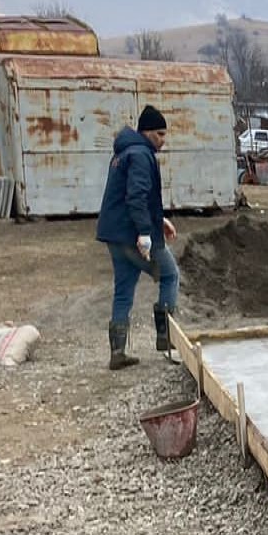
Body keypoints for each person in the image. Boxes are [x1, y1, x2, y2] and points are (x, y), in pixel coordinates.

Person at [95, 105, 180, 369]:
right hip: (134, 236)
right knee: (170, 275)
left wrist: (160, 220)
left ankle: (117, 353)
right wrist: (145, 232)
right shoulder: (142, 155)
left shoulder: (123, 153)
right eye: (160, 134)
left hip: (114, 235)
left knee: (123, 291)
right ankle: (166, 337)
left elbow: (126, 197)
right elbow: (136, 196)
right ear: (147, 132)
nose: (163, 140)